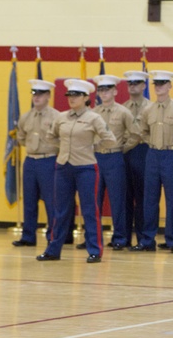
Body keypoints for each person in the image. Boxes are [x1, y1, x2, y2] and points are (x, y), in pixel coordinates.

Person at [36, 79, 116, 263]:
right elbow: (50, 136)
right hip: (63, 167)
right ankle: (53, 249)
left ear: (86, 97)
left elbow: (110, 139)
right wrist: (63, 146)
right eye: (69, 95)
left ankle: (95, 250)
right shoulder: (61, 117)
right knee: (61, 210)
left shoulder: (94, 118)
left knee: (89, 210)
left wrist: (92, 146)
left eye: (76, 95)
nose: (71, 99)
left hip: (86, 167)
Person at [133, 70, 173, 253]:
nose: (159, 87)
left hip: (171, 156)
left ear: (169, 86)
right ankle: (147, 240)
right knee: (150, 200)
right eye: (156, 84)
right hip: (152, 155)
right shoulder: (148, 110)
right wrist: (151, 143)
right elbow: (142, 131)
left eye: (162, 83)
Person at [94, 74, 141, 250]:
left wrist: (123, 148)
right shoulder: (94, 112)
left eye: (107, 90)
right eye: (100, 90)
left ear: (114, 91)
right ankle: (93, 237)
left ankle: (120, 237)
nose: (103, 93)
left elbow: (136, 134)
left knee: (117, 201)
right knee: (94, 200)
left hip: (114, 158)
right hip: (96, 158)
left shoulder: (123, 112)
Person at [12, 79, 60, 248]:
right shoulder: (26, 117)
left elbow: (61, 138)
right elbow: (21, 137)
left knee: (51, 200)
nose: (36, 97)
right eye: (34, 94)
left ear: (48, 95)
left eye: (40, 94)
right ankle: (28, 236)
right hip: (31, 161)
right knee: (29, 200)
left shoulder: (56, 116)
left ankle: (53, 236)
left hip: (48, 160)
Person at [122, 70, 152, 247]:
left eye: (136, 83)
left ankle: (142, 238)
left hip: (143, 152)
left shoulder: (151, 107)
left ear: (143, 86)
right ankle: (123, 237)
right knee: (125, 197)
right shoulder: (122, 107)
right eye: (129, 83)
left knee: (142, 197)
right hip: (125, 153)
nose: (132, 86)